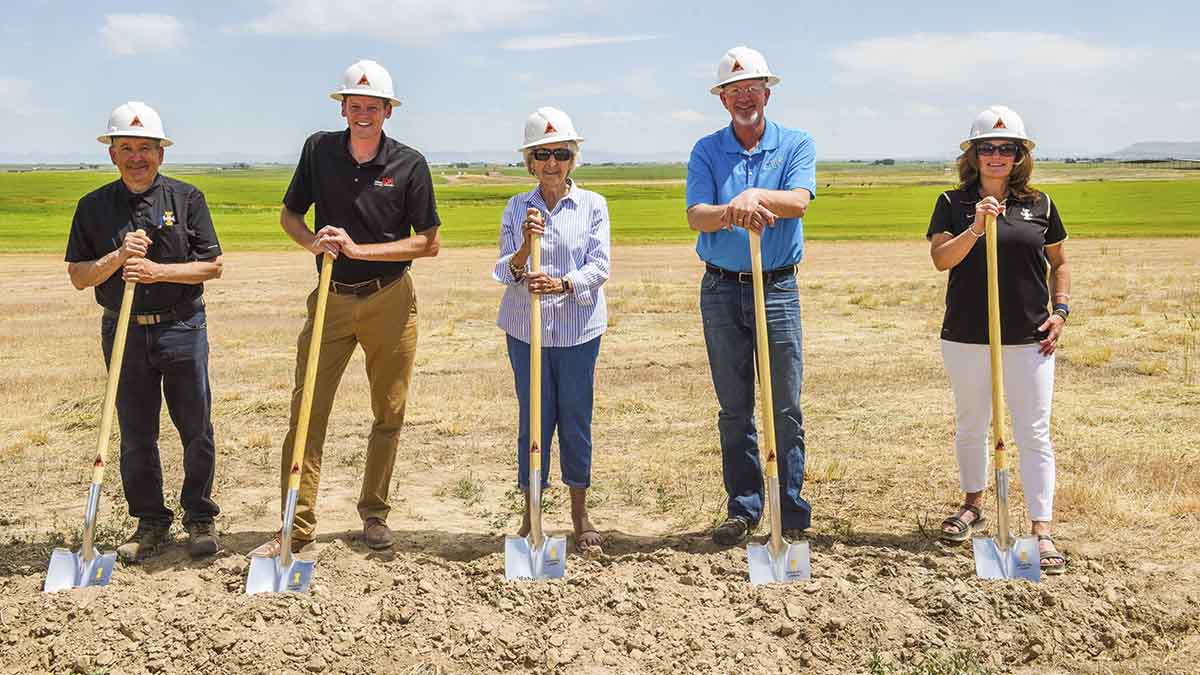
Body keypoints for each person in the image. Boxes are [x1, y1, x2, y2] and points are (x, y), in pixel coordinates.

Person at [253, 59, 441, 556]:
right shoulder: (318, 150)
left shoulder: (409, 164)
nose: (363, 114)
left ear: (387, 111)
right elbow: (290, 214)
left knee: (389, 410)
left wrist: (360, 250)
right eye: (354, 105)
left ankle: (375, 514)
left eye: (372, 107)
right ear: (343, 108)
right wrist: (312, 242)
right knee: (307, 410)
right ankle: (295, 524)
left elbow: (427, 243)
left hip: (391, 299)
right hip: (331, 300)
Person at [65, 101, 224, 561]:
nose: (137, 157)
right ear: (112, 154)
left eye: (146, 148)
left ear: (161, 153)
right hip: (124, 332)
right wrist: (118, 258)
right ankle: (150, 522)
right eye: (127, 148)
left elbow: (212, 267)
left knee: (195, 426)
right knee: (136, 431)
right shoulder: (93, 207)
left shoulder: (186, 198)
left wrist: (158, 271)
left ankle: (199, 516)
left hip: (181, 325)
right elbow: (79, 276)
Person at [927, 105, 1070, 575]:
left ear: (1019, 155)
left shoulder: (1041, 204)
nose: (995, 155)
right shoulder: (952, 202)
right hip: (968, 334)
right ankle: (972, 505)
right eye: (986, 147)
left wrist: (1061, 310)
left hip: (1029, 337)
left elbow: (1059, 263)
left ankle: (1041, 531)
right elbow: (942, 260)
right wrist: (976, 227)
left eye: (1005, 148)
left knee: (1033, 431)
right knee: (972, 424)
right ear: (973, 154)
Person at [685, 47, 816, 546]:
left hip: (777, 287)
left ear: (768, 92)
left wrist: (754, 196)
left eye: (752, 88)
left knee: (784, 404)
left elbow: (799, 202)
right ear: (722, 99)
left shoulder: (796, 144)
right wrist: (734, 210)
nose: (744, 97)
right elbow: (697, 214)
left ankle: (791, 511)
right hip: (721, 288)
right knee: (735, 408)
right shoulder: (706, 150)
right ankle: (743, 509)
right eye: (733, 90)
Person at [492, 107, 610, 551]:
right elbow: (504, 272)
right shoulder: (516, 207)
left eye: (560, 153)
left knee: (576, 420)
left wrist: (562, 283)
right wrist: (525, 248)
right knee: (534, 420)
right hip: (527, 332)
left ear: (572, 157)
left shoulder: (593, 206)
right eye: (542, 154)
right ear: (530, 161)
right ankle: (531, 515)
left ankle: (580, 514)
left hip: (578, 331)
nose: (552, 163)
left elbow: (599, 267)